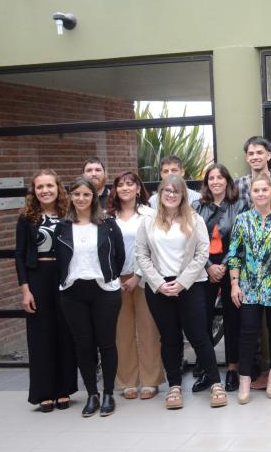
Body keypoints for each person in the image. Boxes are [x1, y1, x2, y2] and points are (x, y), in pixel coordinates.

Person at [134, 174, 228, 410]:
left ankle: (216, 383)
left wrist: (183, 282)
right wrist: (158, 283)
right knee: (169, 338)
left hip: (191, 285)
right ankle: (174, 386)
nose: (171, 195)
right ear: (160, 194)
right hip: (158, 288)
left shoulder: (194, 220)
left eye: (176, 191)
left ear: (183, 195)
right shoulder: (147, 222)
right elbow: (141, 255)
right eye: (167, 190)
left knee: (199, 336)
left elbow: (202, 253)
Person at [54, 178, 125, 417]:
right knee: (83, 345)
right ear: (71, 197)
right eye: (76, 195)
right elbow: (59, 261)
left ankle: (108, 394)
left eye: (86, 194)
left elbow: (120, 256)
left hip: (104, 290)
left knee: (106, 344)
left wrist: (111, 275)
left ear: (94, 197)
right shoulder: (62, 226)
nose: (81, 199)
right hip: (73, 292)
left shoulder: (108, 224)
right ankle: (92, 394)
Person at [227, 173, 271, 402]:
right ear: (251, 194)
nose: (260, 194)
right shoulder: (242, 220)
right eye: (256, 190)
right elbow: (234, 254)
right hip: (249, 287)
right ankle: (245, 379)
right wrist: (234, 284)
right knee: (248, 334)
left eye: (264, 190)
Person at [14, 169, 76, 412]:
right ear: (34, 191)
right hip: (38, 278)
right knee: (40, 336)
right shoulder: (26, 218)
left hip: (64, 278)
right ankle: (43, 392)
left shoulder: (68, 215)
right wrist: (25, 290)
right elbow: (19, 255)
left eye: (49, 185)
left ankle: (63, 390)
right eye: (40, 187)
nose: (45, 190)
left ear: (57, 188)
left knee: (65, 333)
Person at [105, 171, 164, 402]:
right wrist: (114, 277)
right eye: (121, 185)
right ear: (115, 189)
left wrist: (138, 276)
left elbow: (154, 249)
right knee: (122, 331)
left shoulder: (149, 214)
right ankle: (128, 381)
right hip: (115, 280)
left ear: (139, 189)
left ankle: (150, 380)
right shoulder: (107, 217)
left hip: (144, 277)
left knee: (148, 329)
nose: (126, 188)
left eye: (131, 184)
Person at [193, 163, 248, 393]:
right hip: (202, 269)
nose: (215, 181)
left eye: (219, 177)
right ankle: (208, 370)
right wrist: (208, 266)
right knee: (202, 322)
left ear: (227, 180)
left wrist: (223, 266)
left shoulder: (240, 205)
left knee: (233, 321)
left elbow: (242, 239)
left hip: (231, 268)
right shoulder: (196, 207)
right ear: (206, 183)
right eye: (211, 178)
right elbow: (191, 241)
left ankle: (233, 369)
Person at [236, 136, 271, 207]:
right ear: (247, 158)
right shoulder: (239, 184)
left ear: (269, 155)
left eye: (259, 153)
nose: (255, 157)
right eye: (251, 154)